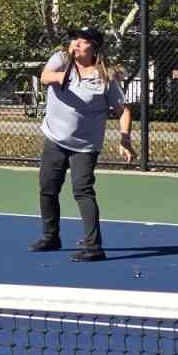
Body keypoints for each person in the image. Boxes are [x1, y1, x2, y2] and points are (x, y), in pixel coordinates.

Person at [29, 26, 133, 262]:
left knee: (83, 191)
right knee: (48, 188)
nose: (76, 43)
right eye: (74, 39)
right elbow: (45, 76)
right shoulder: (61, 59)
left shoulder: (105, 77)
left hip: (85, 146)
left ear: (94, 47)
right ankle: (50, 237)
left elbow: (123, 110)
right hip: (55, 138)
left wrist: (124, 139)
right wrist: (60, 76)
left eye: (82, 40)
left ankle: (94, 247)